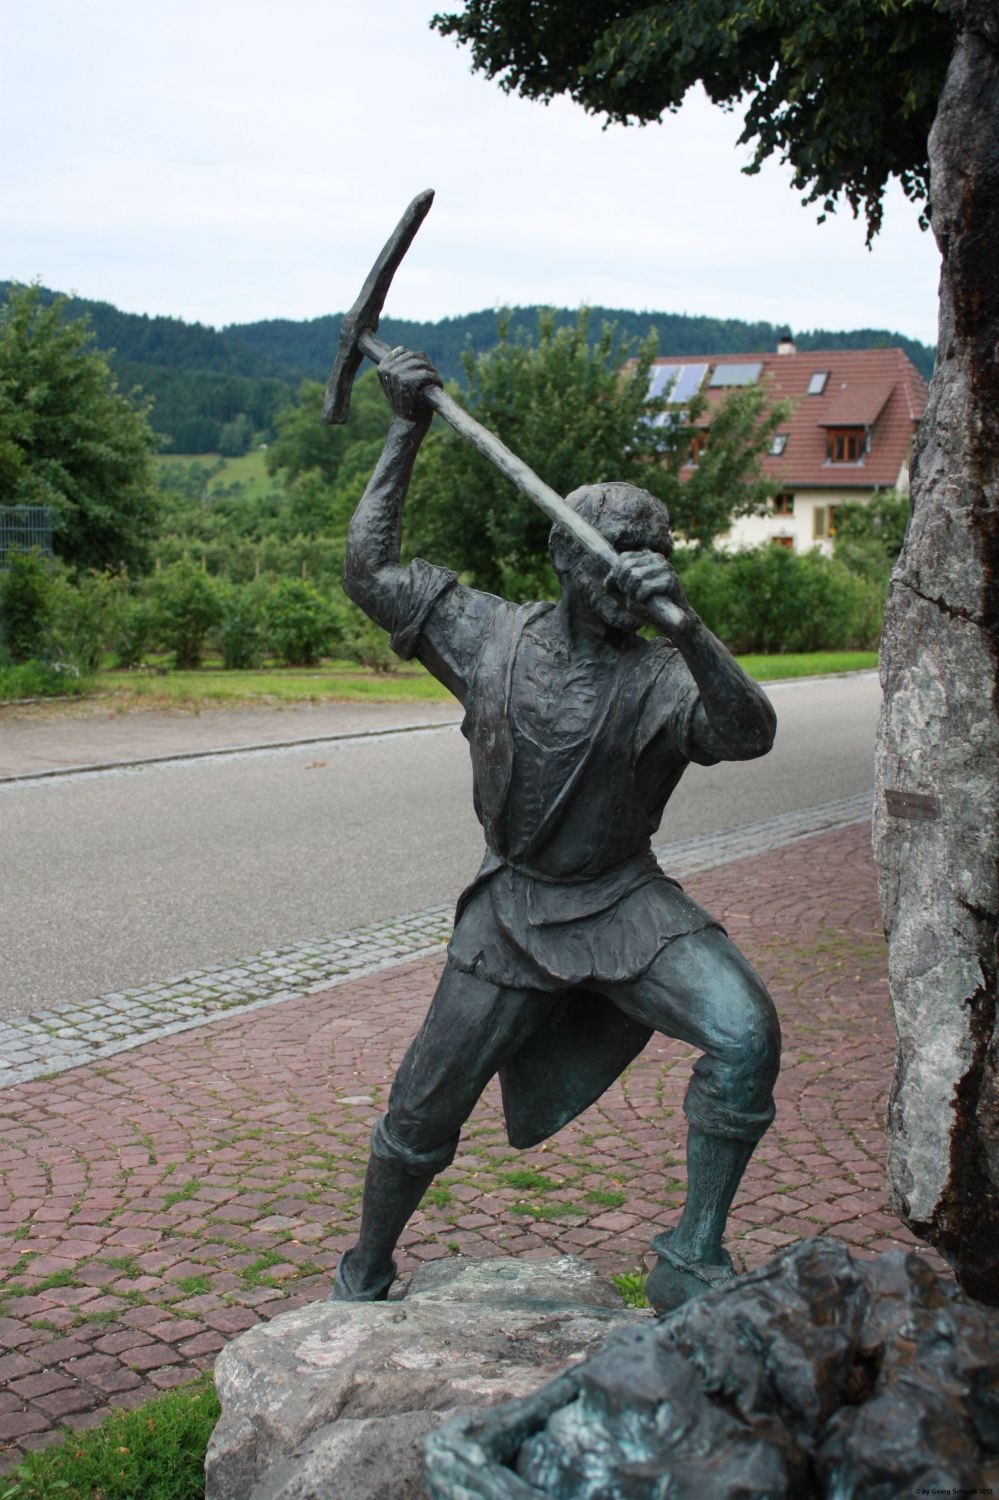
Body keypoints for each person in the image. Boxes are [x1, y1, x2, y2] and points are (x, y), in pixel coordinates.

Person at [333, 347, 780, 1313]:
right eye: (607, 544)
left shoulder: (661, 674)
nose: (627, 562)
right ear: (562, 553)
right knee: (421, 1113)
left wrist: (691, 631)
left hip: (623, 900)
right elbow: (367, 571)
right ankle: (363, 1268)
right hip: (514, 911)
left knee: (745, 1035)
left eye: (647, 547)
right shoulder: (486, 635)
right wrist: (405, 429)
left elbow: (749, 734)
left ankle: (694, 1251)